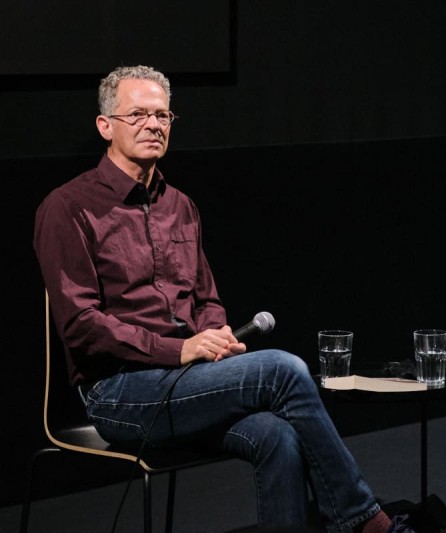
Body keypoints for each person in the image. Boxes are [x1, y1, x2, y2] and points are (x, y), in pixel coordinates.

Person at [33, 65, 408, 533]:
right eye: (138, 115)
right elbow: (81, 323)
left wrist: (214, 335)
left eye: (163, 115)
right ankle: (365, 520)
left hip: (189, 382)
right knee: (282, 369)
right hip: (119, 394)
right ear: (105, 126)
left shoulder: (180, 206)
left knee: (279, 435)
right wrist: (179, 349)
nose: (153, 125)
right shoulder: (68, 207)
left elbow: (205, 297)